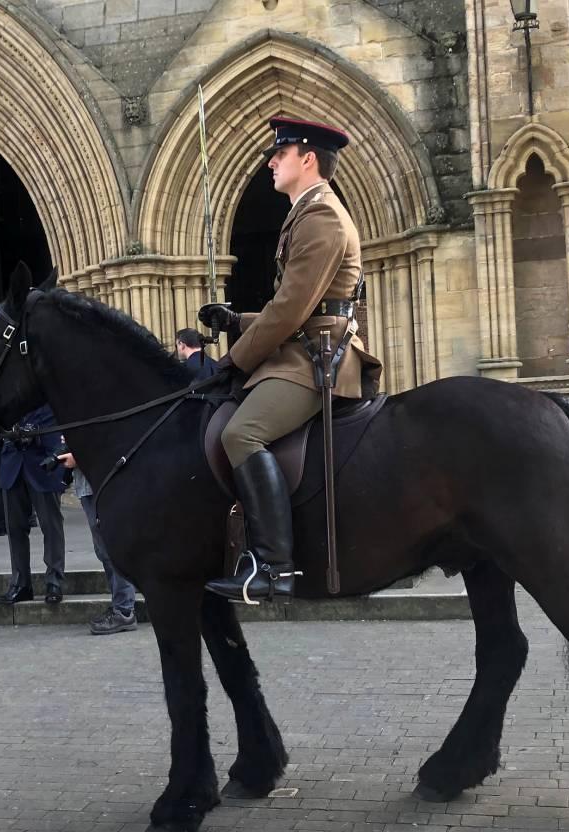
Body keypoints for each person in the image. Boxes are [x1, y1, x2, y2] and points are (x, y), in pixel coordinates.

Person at [197, 116, 381, 604]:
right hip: (304, 344)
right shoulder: (306, 213)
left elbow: (293, 310)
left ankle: (273, 568)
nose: (272, 162)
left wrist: (234, 358)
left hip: (316, 359)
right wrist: (237, 320)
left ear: (309, 159)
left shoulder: (321, 217)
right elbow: (303, 304)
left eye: (281, 153)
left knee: (242, 432)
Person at [0, 405, 67, 605]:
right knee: (15, 528)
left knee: (51, 526)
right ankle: (20, 583)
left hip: (42, 464)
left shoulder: (44, 388)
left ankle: (54, 581)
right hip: (13, 464)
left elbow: (54, 421)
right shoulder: (9, 393)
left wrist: (34, 432)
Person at [59, 447, 138, 635]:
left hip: (101, 484)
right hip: (92, 485)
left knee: (112, 549)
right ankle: (121, 607)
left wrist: (78, 456)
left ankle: (124, 610)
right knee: (105, 550)